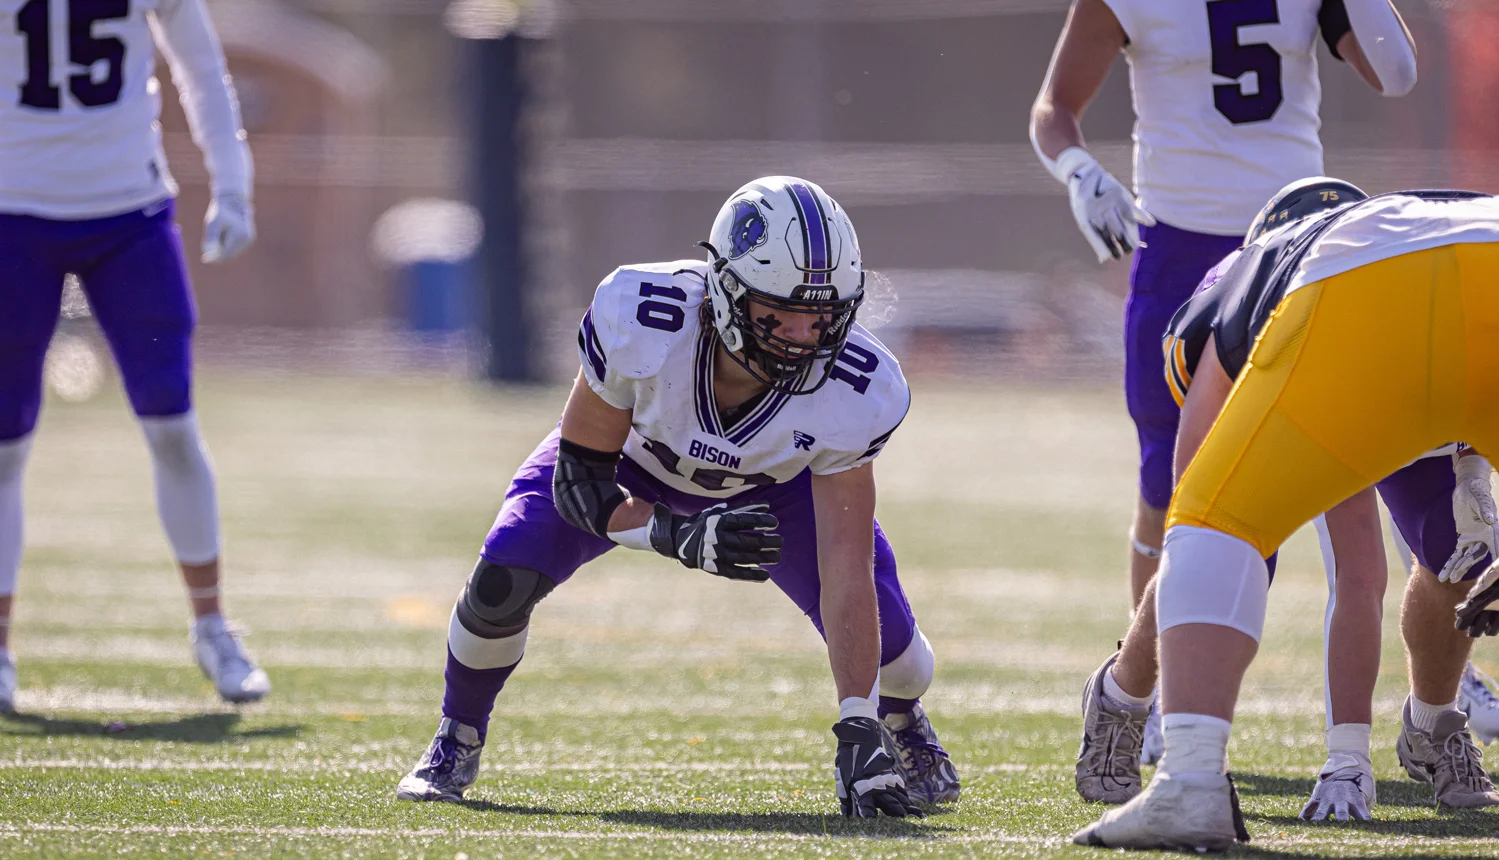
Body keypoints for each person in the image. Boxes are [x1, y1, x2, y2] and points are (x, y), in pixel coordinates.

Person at [395, 176, 959, 816]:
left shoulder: (860, 388)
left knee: (904, 663)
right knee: (499, 583)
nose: (806, 334)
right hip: (632, 464)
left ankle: (900, 721)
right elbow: (581, 485)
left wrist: (856, 720)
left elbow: (846, 565)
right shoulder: (644, 316)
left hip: (776, 493)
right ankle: (457, 734)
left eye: (825, 314)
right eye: (785, 310)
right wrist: (669, 533)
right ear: (726, 293)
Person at [1074, 185, 1499, 851]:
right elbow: (1356, 570)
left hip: (1378, 303)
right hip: (1426, 291)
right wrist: (1347, 757)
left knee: (1224, 529)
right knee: (1230, 535)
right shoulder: (1284, 278)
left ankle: (1193, 773)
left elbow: (1199, 524)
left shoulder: (1259, 277)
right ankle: (1125, 693)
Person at [1028, 0, 1415, 607]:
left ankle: (1440, 670)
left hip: (1296, 242)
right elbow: (1055, 107)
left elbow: (1396, 75)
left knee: (1355, 465)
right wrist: (1079, 170)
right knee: (1166, 481)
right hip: (1179, 243)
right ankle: (1147, 688)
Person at [0, 0, 266, 712]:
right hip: (11, 214)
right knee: (4, 446)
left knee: (173, 424)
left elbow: (201, 68)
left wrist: (232, 184)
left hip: (128, 213)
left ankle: (212, 625)